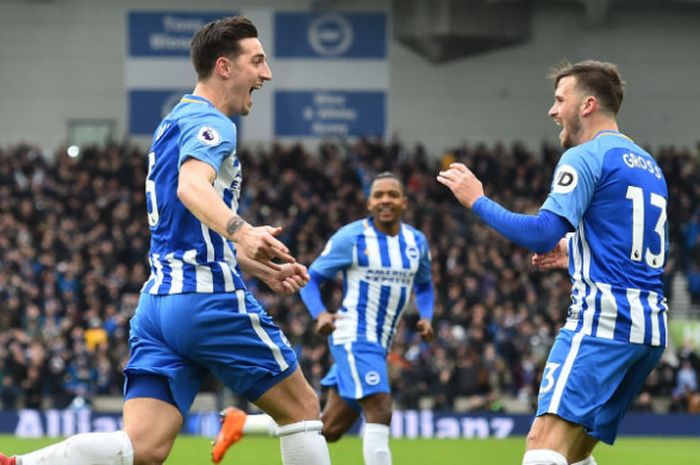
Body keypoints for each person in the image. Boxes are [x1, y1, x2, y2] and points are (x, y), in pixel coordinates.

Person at [0, 16, 331, 465]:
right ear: (224, 67)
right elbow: (191, 189)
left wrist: (251, 262)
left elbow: (184, 220)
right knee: (304, 411)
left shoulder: (173, 121)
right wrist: (244, 231)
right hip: (205, 299)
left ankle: (20, 464)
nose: (266, 74)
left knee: (142, 447)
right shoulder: (213, 123)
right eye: (257, 61)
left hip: (158, 304)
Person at [437, 60, 668, 465]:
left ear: (588, 104)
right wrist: (574, 252)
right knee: (574, 455)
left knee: (542, 447)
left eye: (560, 99)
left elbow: (542, 232)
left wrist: (477, 199)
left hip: (603, 322)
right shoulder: (648, 165)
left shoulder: (585, 156)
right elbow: (628, 242)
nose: (552, 110)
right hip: (648, 329)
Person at [211, 172, 435, 465]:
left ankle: (242, 424)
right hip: (355, 334)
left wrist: (427, 317)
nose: (385, 200)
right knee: (380, 408)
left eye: (392, 194)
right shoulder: (351, 238)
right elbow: (312, 278)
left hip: (381, 342)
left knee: (327, 428)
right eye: (379, 195)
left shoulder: (415, 242)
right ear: (369, 203)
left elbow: (424, 284)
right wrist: (320, 314)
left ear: (404, 201)